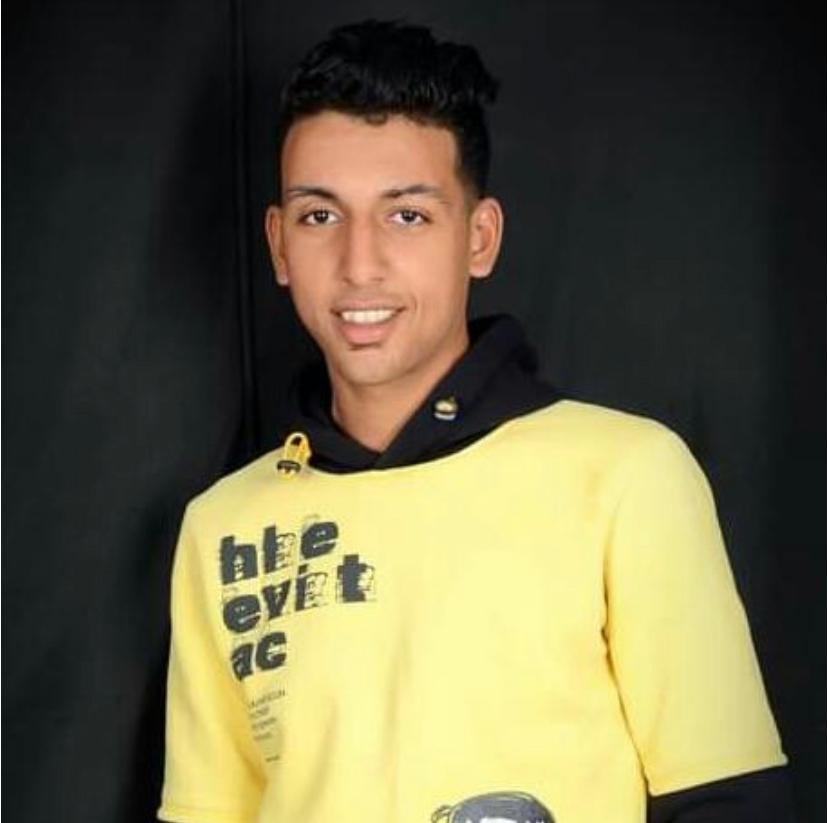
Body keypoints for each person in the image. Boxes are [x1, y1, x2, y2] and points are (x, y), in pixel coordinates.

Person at [158, 20, 793, 823]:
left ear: (479, 237)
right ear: (279, 246)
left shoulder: (627, 475)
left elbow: (730, 802)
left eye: (407, 216)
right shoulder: (221, 527)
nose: (359, 264)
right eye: (320, 216)